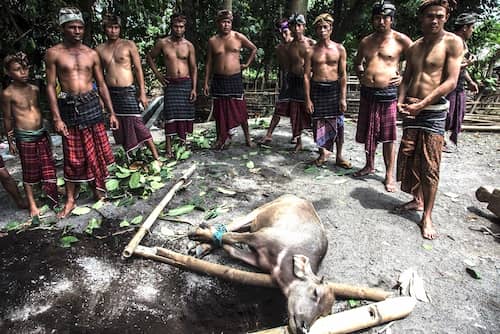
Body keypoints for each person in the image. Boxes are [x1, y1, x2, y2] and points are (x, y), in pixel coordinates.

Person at [396, 0, 463, 239]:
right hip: (411, 107)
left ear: (446, 18)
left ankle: (427, 217)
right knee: (410, 158)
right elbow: (406, 78)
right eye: (429, 16)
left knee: (430, 164)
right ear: (421, 18)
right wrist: (399, 101)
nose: (434, 20)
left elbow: (451, 81)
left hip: (433, 110)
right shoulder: (414, 47)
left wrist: (423, 105)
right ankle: (417, 200)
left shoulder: (453, 42)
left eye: (439, 16)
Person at [46, 7, 118, 218]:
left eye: (80, 27)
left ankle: (98, 190)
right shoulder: (54, 53)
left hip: (91, 105)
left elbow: (101, 84)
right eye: (72, 27)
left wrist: (111, 112)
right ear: (63, 28)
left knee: (96, 152)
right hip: (69, 108)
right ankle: (70, 200)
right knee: (72, 156)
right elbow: (50, 86)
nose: (77, 31)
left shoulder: (91, 53)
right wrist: (56, 117)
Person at [353, 1, 412, 191]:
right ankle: (369, 165)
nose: (381, 21)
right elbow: (357, 63)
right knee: (368, 132)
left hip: (388, 94)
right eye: (377, 18)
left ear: (392, 19)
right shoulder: (366, 41)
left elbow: (417, 63)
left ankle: (389, 175)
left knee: (388, 136)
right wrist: (361, 75)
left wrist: (403, 78)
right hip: (368, 93)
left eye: (385, 18)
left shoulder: (401, 40)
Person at [2, 53, 58, 217]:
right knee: (29, 171)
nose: (23, 72)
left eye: (25, 68)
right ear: (8, 73)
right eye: (17, 70)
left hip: (40, 133)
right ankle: (32, 205)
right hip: (24, 137)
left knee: (48, 166)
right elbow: (7, 118)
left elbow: (38, 111)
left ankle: (51, 196)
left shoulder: (34, 89)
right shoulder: (8, 94)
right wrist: (11, 141)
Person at [96, 14, 159, 160]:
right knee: (120, 127)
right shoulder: (99, 49)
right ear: (105, 29)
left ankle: (156, 156)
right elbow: (98, 76)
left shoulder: (128, 45)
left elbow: (138, 69)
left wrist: (142, 92)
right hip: (111, 92)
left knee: (137, 124)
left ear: (120, 29)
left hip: (128, 91)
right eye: (110, 27)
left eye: (116, 27)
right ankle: (131, 157)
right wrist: (100, 96)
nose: (113, 31)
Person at [203, 10, 257, 149]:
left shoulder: (238, 37)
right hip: (219, 79)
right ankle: (220, 138)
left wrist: (246, 64)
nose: (226, 25)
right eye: (223, 22)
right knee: (219, 110)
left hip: (235, 79)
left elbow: (253, 49)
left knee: (241, 108)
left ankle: (247, 137)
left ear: (231, 23)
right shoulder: (212, 41)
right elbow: (208, 63)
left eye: (228, 22)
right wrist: (206, 82)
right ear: (218, 23)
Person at [304, 13, 351, 169]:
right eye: (319, 27)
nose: (322, 30)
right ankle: (322, 153)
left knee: (339, 124)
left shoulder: (339, 49)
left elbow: (343, 75)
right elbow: (306, 76)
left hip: (334, 89)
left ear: (331, 29)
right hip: (317, 89)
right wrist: (308, 99)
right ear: (316, 30)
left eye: (325, 27)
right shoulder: (311, 51)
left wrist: (343, 98)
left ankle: (339, 156)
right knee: (318, 123)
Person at [147, 13, 197, 158]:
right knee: (170, 114)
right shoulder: (163, 43)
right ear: (171, 26)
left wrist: (194, 88)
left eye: (181, 27)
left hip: (185, 83)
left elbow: (193, 68)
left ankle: (182, 144)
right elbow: (150, 57)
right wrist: (158, 75)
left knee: (184, 114)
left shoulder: (189, 46)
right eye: (176, 26)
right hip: (171, 84)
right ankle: (168, 148)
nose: (178, 29)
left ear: (185, 28)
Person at [445, 12, 479, 147]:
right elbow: (449, 65)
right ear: (465, 28)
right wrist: (467, 64)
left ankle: (444, 139)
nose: (473, 31)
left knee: (455, 113)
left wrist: (470, 81)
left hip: (458, 85)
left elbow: (461, 68)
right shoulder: (454, 41)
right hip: (448, 84)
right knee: (447, 114)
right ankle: (439, 139)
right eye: (472, 27)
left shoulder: (462, 43)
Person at [259, 19, 294, 145]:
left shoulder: (300, 44)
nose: (284, 36)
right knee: (279, 108)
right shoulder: (279, 48)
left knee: (301, 109)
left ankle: (298, 135)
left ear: (291, 31)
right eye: (281, 34)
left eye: (285, 32)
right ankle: (269, 134)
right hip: (287, 79)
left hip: (301, 79)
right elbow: (283, 67)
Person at [286, 13, 314, 152]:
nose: (296, 28)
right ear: (290, 27)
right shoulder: (289, 46)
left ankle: (320, 145)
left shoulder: (311, 43)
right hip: (295, 81)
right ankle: (298, 141)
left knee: (312, 112)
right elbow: (288, 64)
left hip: (309, 81)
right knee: (295, 113)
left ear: (304, 27)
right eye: (294, 26)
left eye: (299, 25)